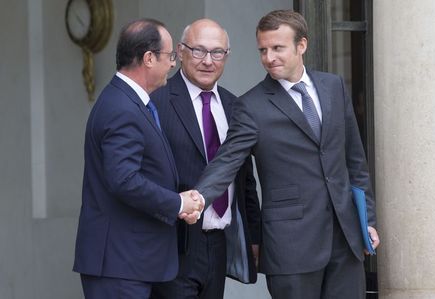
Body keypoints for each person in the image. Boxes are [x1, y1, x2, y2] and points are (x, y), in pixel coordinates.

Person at [193, 10, 380, 299]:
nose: (269, 57)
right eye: (263, 50)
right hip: (291, 249)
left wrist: (367, 219)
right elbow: (227, 161)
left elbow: (355, 161)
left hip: (346, 241)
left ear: (301, 45)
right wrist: (199, 197)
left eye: (277, 48)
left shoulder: (334, 87)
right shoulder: (250, 106)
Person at [72, 18, 204, 299]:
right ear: (148, 58)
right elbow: (124, 180)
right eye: (170, 56)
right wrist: (177, 203)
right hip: (119, 265)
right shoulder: (122, 108)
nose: (172, 64)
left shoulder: (129, 102)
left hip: (132, 262)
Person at [150, 19, 261, 299]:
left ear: (227, 56)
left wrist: (255, 237)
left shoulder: (237, 107)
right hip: (173, 246)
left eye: (217, 52)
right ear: (180, 51)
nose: (208, 61)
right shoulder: (156, 102)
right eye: (199, 51)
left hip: (219, 243)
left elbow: (245, 180)